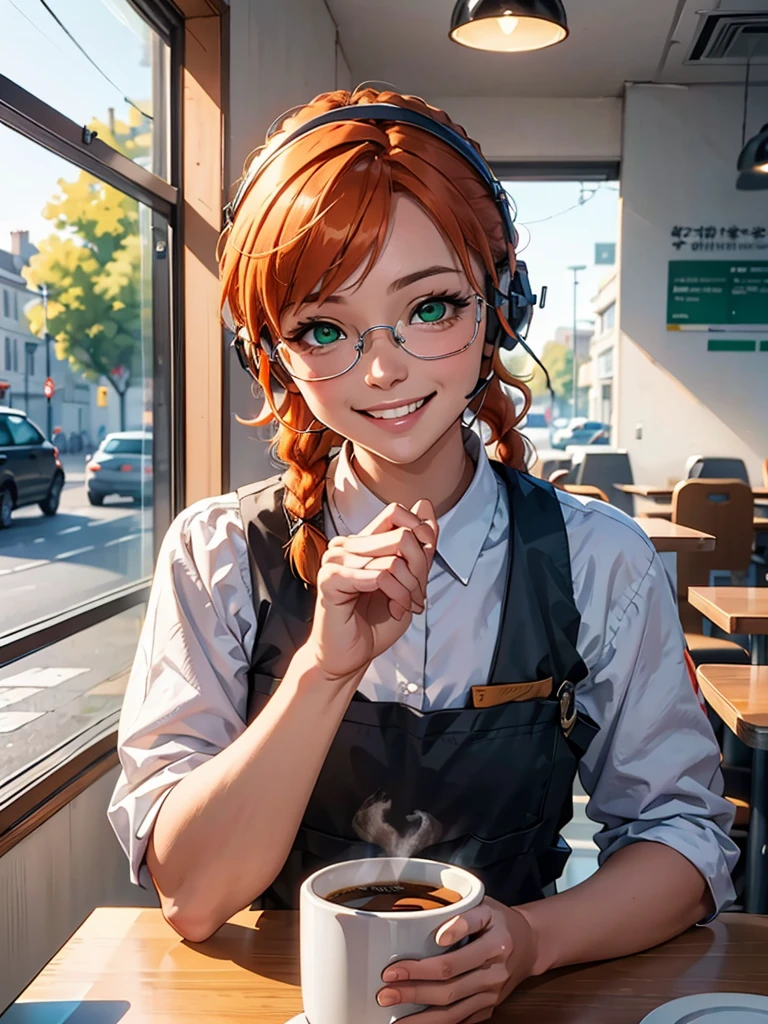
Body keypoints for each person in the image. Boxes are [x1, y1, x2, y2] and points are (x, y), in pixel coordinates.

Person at [108, 87, 737, 1020]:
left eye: (432, 307)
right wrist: (321, 671)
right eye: (323, 328)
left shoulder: (601, 560)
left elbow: (686, 843)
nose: (382, 369)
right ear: (270, 353)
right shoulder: (219, 555)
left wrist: (533, 941)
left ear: (501, 307)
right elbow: (193, 897)